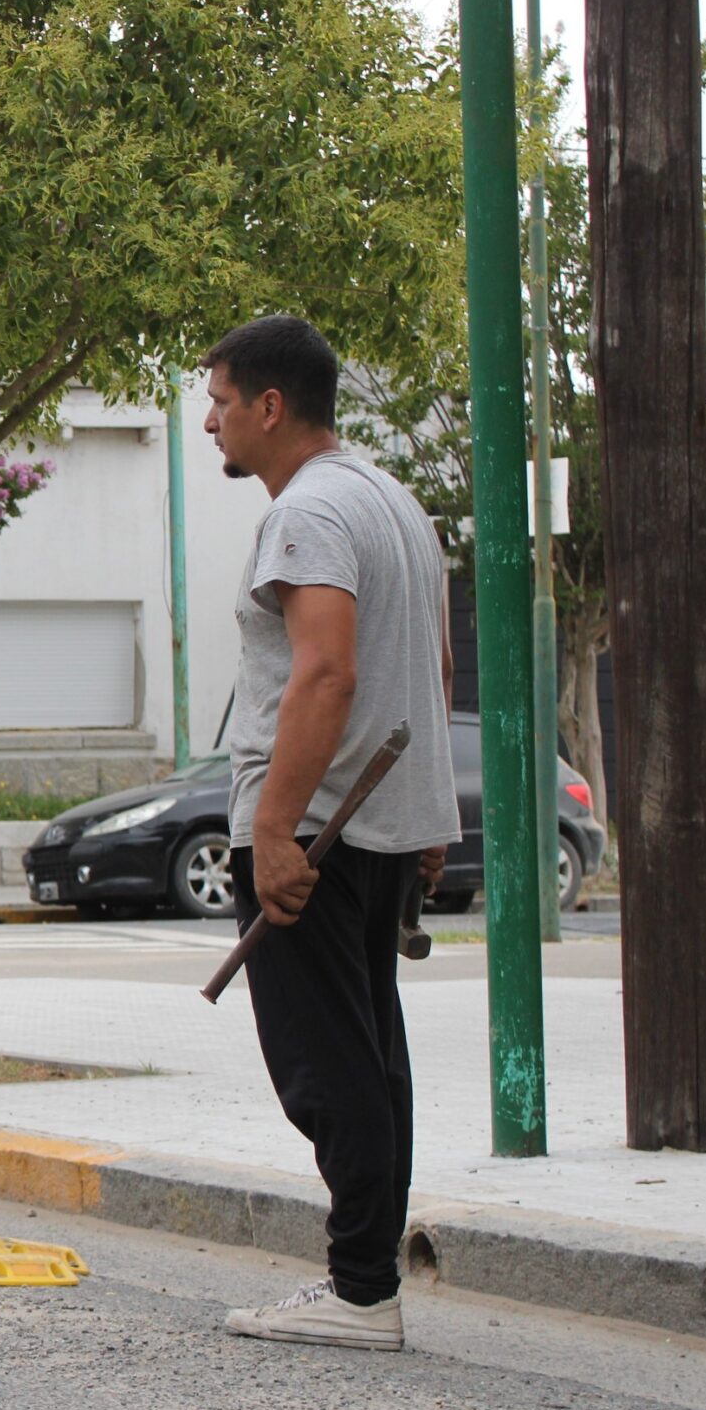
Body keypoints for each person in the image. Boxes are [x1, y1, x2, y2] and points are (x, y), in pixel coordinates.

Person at [202, 315, 459, 1351]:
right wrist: (430, 817)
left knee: (325, 1064)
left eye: (220, 401)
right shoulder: (391, 500)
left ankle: (360, 1291)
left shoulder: (305, 513)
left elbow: (327, 672)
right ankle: (366, 1280)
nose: (211, 422)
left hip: (316, 830)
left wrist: (272, 831)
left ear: (270, 407)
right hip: (376, 824)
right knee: (370, 1054)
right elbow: (433, 668)